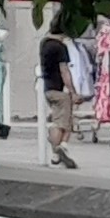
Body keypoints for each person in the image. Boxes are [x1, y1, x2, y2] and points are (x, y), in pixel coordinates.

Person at [36, 14, 79, 168]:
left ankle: (57, 154)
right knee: (62, 123)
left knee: (60, 120)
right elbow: (64, 71)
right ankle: (60, 148)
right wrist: (73, 91)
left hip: (47, 88)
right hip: (59, 90)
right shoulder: (60, 48)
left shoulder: (44, 44)